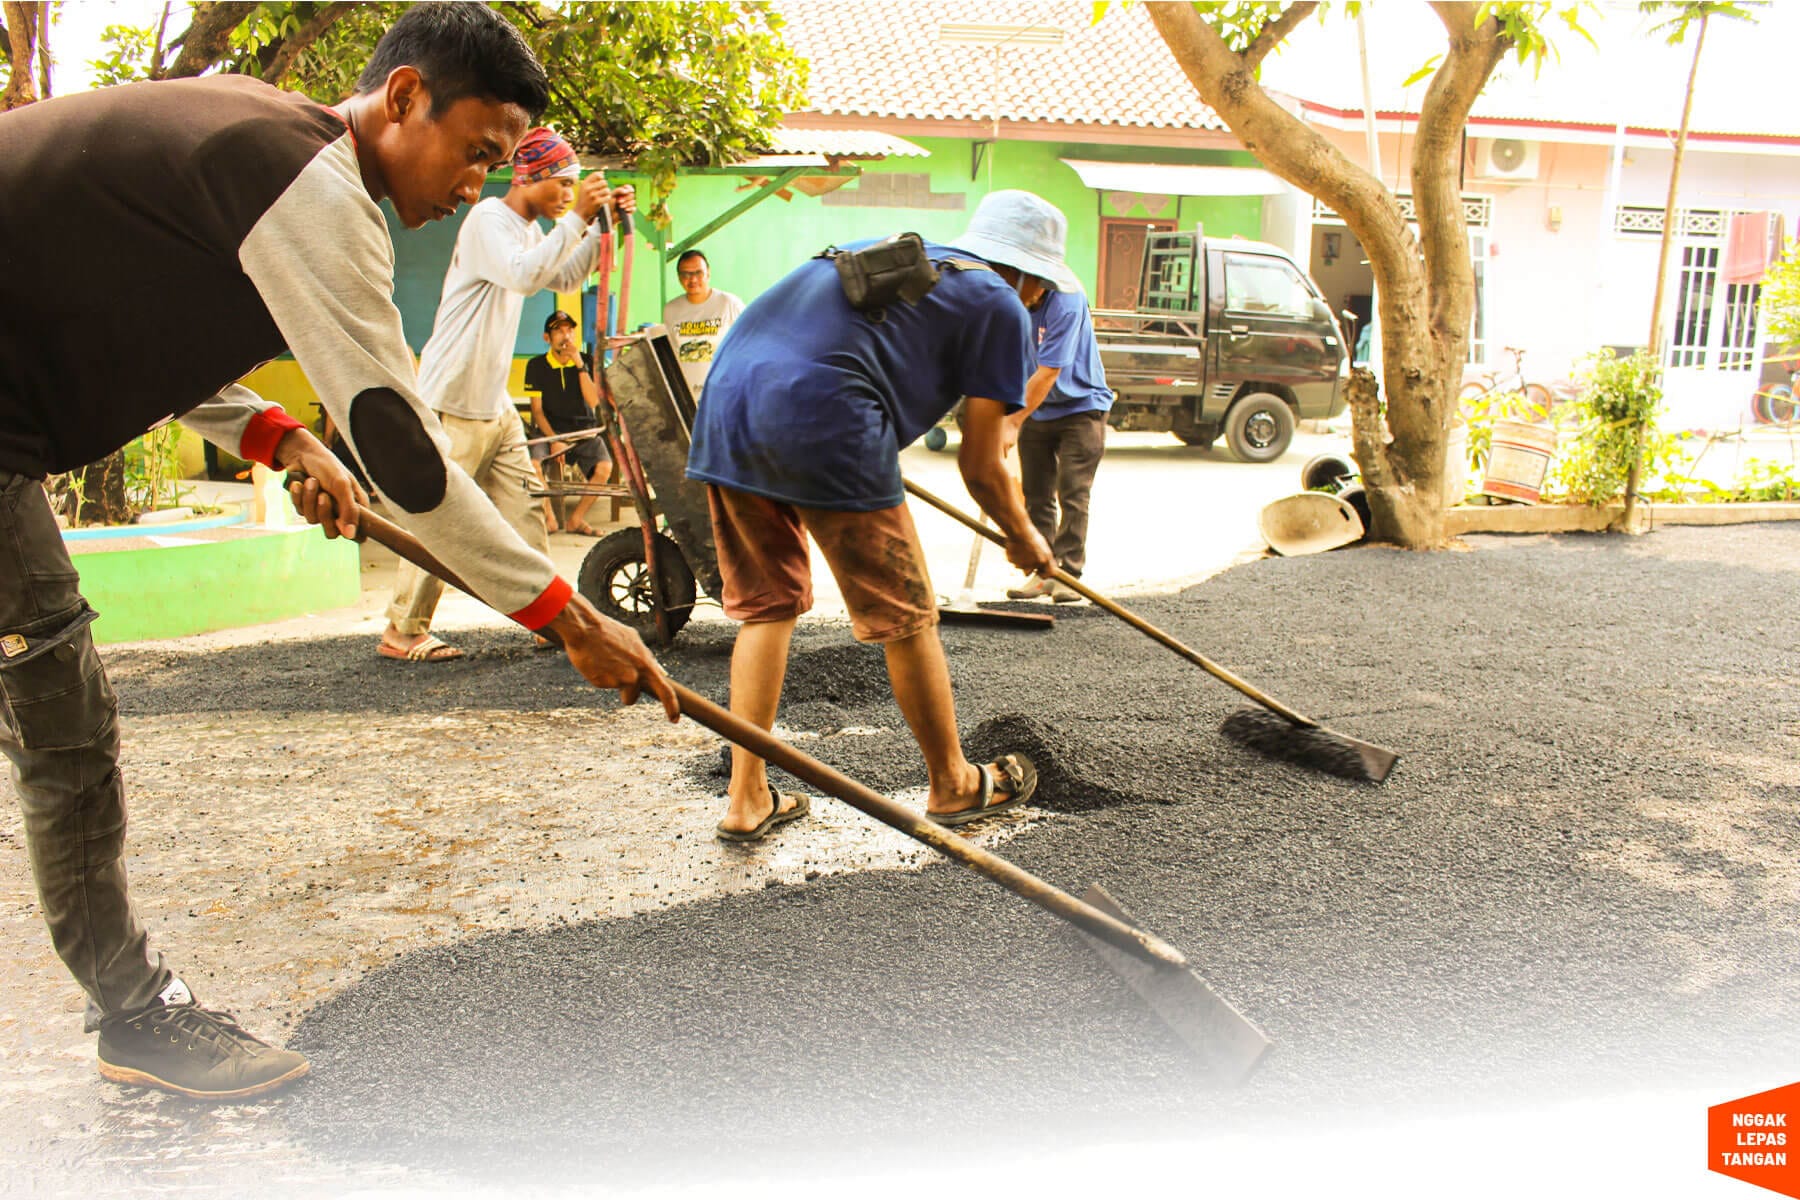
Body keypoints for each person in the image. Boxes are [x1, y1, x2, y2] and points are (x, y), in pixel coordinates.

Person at [0, 2, 676, 1102]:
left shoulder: (269, 152)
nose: (475, 186)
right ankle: (135, 1016)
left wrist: (280, 434)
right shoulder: (309, 183)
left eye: (498, 166)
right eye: (476, 154)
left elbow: (133, 314)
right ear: (404, 96)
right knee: (61, 714)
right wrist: (568, 617)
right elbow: (409, 463)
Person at [685, 191, 1074, 841]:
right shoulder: (1001, 304)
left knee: (768, 605)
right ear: (1031, 278)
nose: (1039, 303)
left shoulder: (900, 254)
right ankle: (953, 783)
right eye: (1043, 291)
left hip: (726, 409)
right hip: (828, 414)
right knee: (906, 613)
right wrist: (1027, 537)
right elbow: (981, 464)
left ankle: (746, 796)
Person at [380, 123, 632, 663]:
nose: (567, 193)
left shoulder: (528, 229)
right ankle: (403, 630)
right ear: (531, 177)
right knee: (442, 520)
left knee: (526, 510)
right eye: (561, 183)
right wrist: (577, 217)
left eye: (571, 186)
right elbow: (523, 277)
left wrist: (596, 225)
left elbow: (559, 274)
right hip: (452, 399)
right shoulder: (489, 220)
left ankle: (546, 620)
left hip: (492, 402)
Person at [1003, 285, 1115, 603]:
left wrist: (1011, 422)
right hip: (1039, 410)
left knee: (1072, 492)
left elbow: (1050, 370)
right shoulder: (1014, 302)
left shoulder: (1067, 301)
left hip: (1082, 407)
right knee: (1036, 494)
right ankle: (1043, 571)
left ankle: (1068, 574)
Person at [525, 309, 611, 537]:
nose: (565, 336)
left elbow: (593, 400)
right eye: (558, 331)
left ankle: (576, 519)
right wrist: (555, 440)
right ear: (547, 338)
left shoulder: (586, 360)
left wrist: (578, 364)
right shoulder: (536, 365)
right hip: (549, 431)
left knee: (605, 468)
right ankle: (550, 517)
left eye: (569, 331)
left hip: (584, 431)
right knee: (533, 464)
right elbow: (537, 411)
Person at [661, 249, 745, 399]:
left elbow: (748, 345)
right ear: (679, 277)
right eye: (685, 274)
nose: (692, 280)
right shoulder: (671, 310)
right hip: (687, 396)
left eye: (698, 273)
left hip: (724, 393)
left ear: (708, 273)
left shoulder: (729, 304)